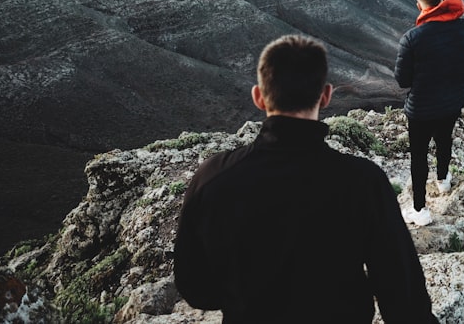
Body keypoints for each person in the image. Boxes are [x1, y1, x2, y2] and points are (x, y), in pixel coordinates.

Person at [174, 34, 438, 324]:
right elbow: (402, 293)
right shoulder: (363, 182)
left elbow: (195, 287)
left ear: (259, 97)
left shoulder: (212, 179)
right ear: (326, 96)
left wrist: (242, 295)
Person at [394, 0, 464, 227]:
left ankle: (419, 210)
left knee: (419, 156)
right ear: (442, 0)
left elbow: (402, 80)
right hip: (453, 99)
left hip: (422, 107)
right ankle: (443, 179)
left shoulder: (412, 38)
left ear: (419, 5)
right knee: (445, 137)